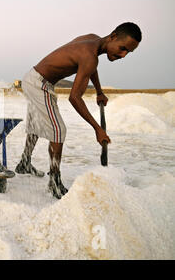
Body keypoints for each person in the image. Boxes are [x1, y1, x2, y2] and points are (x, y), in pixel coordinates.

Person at [15, 22, 141, 199]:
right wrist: (98, 129)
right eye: (122, 48)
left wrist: (99, 91)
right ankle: (54, 182)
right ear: (113, 36)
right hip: (40, 84)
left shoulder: (92, 41)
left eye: (128, 52)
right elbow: (75, 97)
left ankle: (24, 163)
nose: (123, 54)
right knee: (58, 131)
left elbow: (90, 68)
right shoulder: (90, 56)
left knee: (38, 123)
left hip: (32, 78)